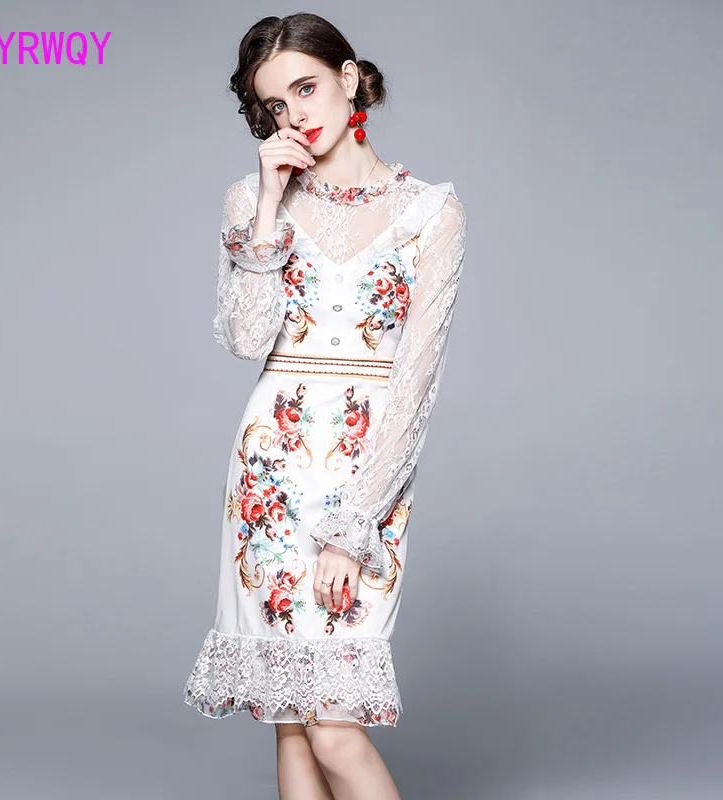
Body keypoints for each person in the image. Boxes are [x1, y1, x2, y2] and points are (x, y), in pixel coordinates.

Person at [183, 12, 467, 799]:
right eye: (275, 104)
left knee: (334, 728)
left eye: (305, 88)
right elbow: (247, 338)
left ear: (349, 78)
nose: (294, 114)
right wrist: (268, 206)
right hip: (269, 474)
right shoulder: (251, 198)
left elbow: (416, 383)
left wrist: (354, 524)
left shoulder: (430, 212)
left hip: (365, 474)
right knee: (293, 723)